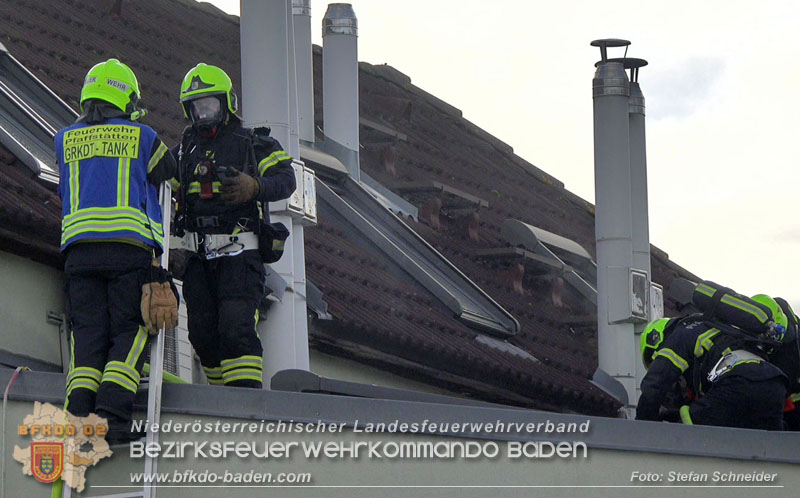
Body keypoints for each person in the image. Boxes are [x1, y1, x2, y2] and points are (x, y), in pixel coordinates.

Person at [56, 59, 178, 443]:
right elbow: (170, 171)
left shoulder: (63, 138)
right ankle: (112, 418)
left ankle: (77, 419)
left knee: (87, 338)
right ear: (127, 99)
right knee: (130, 331)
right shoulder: (142, 136)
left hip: (78, 256)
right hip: (128, 250)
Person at [170, 63, 296, 388]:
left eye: (210, 105)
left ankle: (244, 406)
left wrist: (255, 187)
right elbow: (158, 178)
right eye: (197, 108)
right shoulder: (184, 149)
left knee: (235, 326)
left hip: (241, 257)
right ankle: (220, 401)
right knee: (201, 333)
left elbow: (286, 179)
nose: (204, 113)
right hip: (197, 261)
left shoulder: (251, 143)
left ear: (227, 104)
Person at [637, 295, 787, 430]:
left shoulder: (679, 335)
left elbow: (654, 384)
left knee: (688, 425)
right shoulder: (715, 328)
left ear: (658, 341)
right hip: (774, 385)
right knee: (764, 447)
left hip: (738, 382)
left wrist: (642, 429)